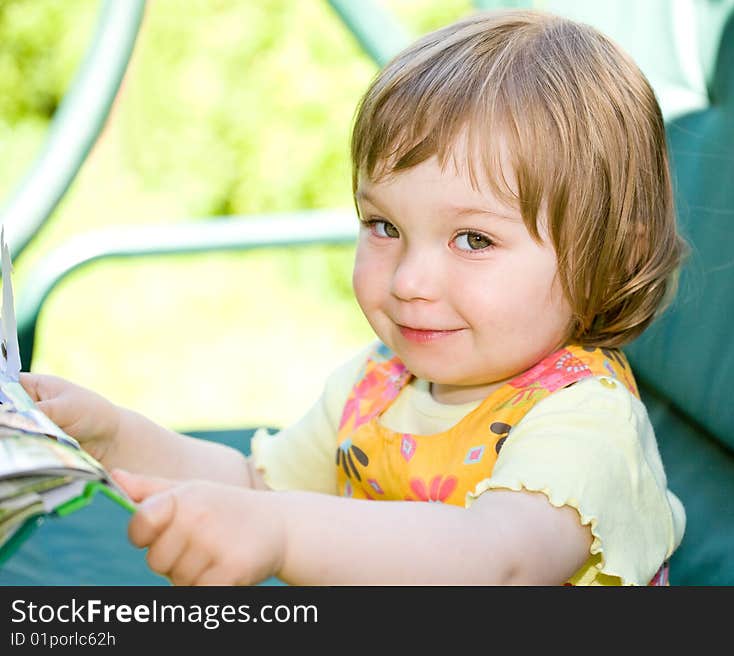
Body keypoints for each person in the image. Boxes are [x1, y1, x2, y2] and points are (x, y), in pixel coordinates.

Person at [21, 9, 688, 586]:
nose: (408, 282)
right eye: (385, 227)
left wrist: (279, 532)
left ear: (612, 254)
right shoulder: (379, 387)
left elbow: (496, 563)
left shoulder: (586, 422)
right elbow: (256, 486)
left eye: (474, 240)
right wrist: (113, 436)